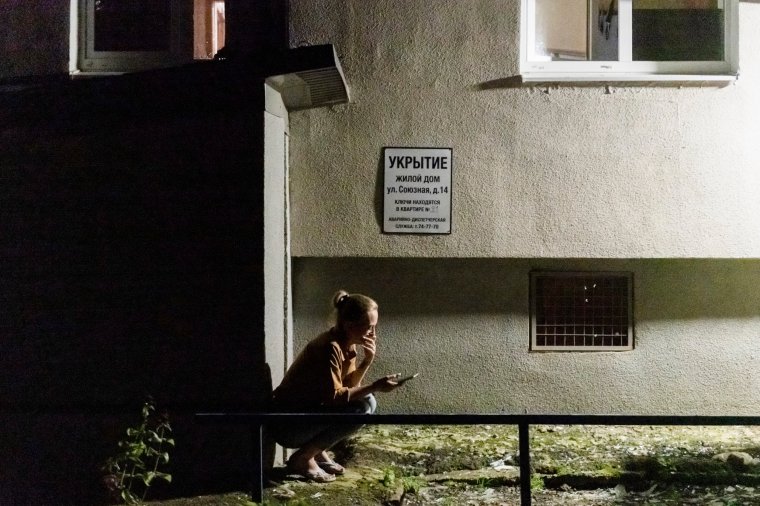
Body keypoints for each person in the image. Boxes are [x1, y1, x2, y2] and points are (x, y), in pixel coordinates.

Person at [268, 290, 402, 482]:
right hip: (288, 425)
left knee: (367, 400)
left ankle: (315, 451)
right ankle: (303, 457)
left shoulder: (347, 343)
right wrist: (374, 386)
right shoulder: (330, 347)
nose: (373, 333)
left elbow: (350, 386)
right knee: (363, 406)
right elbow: (336, 397)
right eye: (369, 327)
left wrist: (367, 361)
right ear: (349, 325)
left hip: (306, 416)